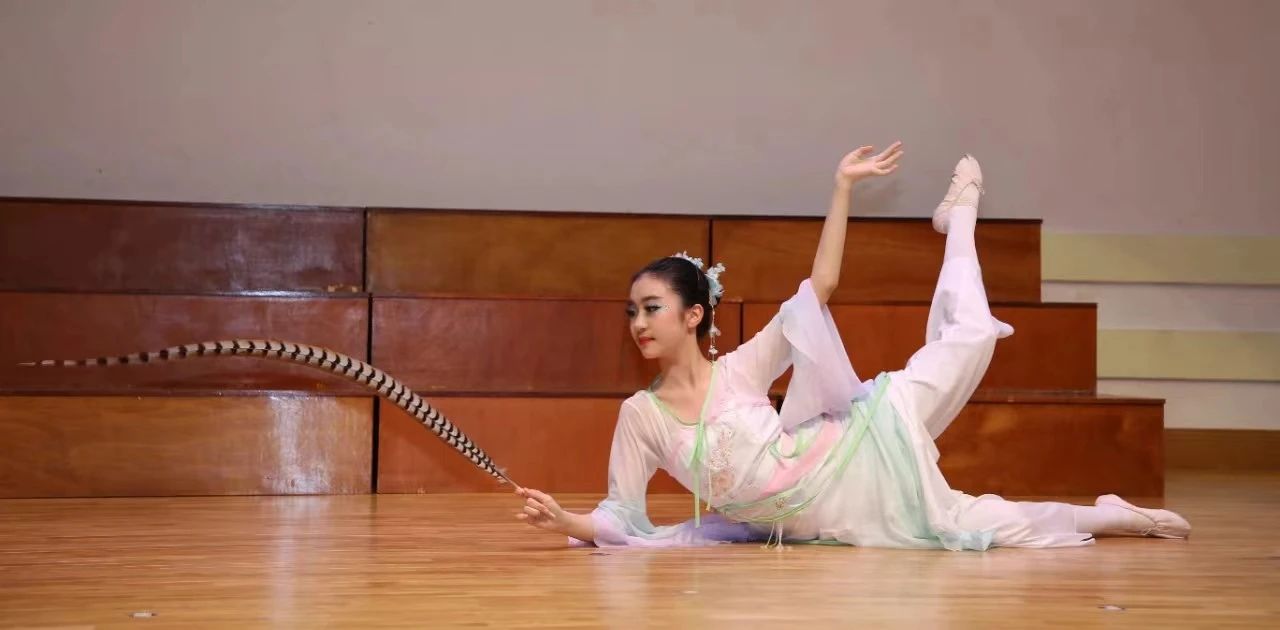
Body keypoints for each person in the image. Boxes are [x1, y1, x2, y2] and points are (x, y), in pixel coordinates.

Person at [514, 143, 1190, 549]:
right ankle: (1111, 518)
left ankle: (960, 220)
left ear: (693, 315)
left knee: (973, 337)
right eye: (631, 312)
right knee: (980, 525)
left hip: (863, 438)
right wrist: (566, 520)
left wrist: (841, 189)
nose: (638, 322)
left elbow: (821, 287)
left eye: (651, 308)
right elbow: (622, 516)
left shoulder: (740, 370)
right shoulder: (640, 416)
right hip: (832, 517)